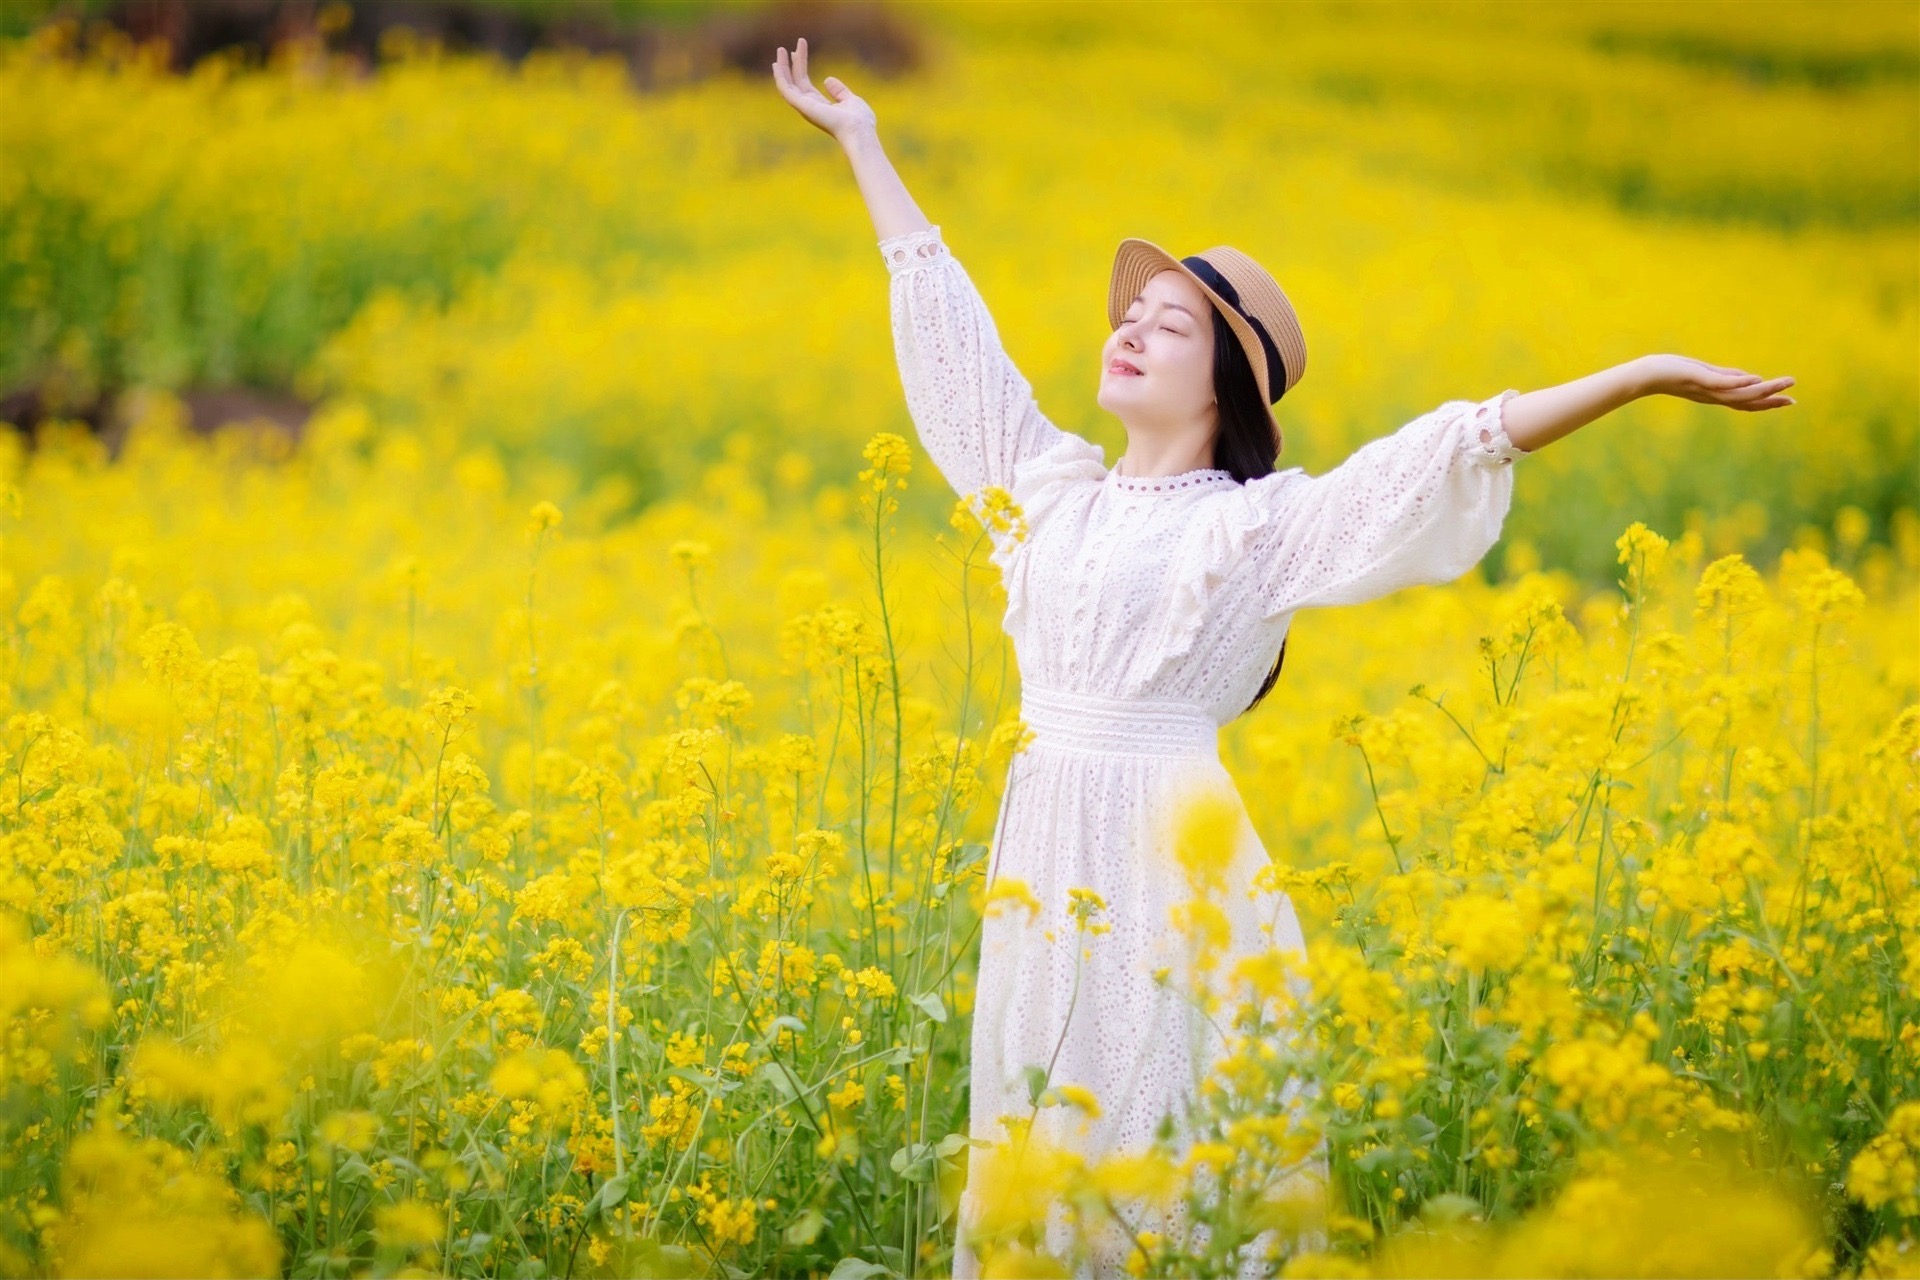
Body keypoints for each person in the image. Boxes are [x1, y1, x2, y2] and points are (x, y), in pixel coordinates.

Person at [773, 35, 1797, 1279]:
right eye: (1131, 318)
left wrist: (1636, 376)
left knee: (1167, 1131)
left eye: (1171, 328)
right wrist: (868, 146)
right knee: (1041, 1122)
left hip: (1172, 854)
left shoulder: (1253, 527)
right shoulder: (1046, 490)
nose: (1132, 335)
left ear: (1227, 383)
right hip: (1041, 847)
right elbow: (948, 338)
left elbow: (1451, 445)